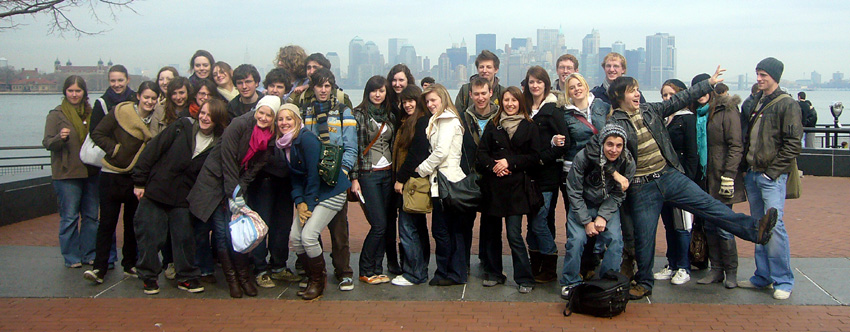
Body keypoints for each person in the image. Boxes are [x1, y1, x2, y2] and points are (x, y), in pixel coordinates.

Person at [604, 67, 779, 300]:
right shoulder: (614, 123)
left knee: (710, 206)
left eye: (637, 90)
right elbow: (604, 156)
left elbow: (680, 99)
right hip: (641, 186)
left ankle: (755, 230)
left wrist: (708, 83)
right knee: (644, 238)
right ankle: (644, 282)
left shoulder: (649, 110)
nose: (637, 94)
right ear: (618, 97)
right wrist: (618, 176)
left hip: (668, 175)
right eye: (631, 91)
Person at [131, 98, 228, 295]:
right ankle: (149, 277)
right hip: (157, 190)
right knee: (149, 235)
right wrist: (139, 182)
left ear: (218, 119)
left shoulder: (219, 143)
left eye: (210, 115)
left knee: (185, 238)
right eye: (203, 113)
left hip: (184, 197)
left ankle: (186, 277)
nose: (204, 118)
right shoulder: (181, 127)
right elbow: (152, 150)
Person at [188, 95, 281, 298]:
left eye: (269, 115)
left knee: (236, 233)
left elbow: (257, 165)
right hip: (215, 181)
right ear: (256, 110)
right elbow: (227, 158)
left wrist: (241, 187)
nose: (263, 118)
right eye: (261, 112)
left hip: (236, 184)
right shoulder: (239, 124)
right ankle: (233, 280)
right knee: (221, 233)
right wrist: (234, 193)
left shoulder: (271, 135)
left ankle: (244, 277)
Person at [739, 57, 802, 300]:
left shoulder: (787, 104)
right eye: (758, 74)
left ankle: (783, 280)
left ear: (775, 76)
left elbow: (793, 144)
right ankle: (762, 275)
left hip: (770, 176)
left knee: (774, 227)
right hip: (754, 174)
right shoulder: (757, 101)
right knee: (759, 226)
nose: (759, 79)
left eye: (763, 74)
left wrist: (771, 172)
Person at [82, 81, 158, 284]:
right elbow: (97, 133)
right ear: (138, 96)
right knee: (107, 223)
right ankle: (99, 268)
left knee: (132, 223)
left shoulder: (156, 121)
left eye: (153, 98)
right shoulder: (120, 112)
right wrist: (114, 149)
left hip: (136, 177)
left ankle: (130, 264)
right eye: (146, 97)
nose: (149, 101)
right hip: (111, 174)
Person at [278, 103, 351, 300]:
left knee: (309, 236)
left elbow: (312, 176)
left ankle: (319, 281)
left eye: (289, 118)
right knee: (295, 237)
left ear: (298, 120)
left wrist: (307, 207)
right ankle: (312, 276)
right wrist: (299, 202)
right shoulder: (285, 143)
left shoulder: (306, 139)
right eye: (280, 119)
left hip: (331, 192)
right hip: (313, 195)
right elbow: (294, 178)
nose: (284, 123)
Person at [476, 86, 541, 293]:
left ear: (520, 102)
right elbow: (482, 154)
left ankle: (524, 278)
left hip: (517, 189)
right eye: (506, 100)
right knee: (492, 233)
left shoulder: (529, 126)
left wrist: (509, 163)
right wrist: (494, 166)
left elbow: (534, 157)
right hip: (494, 187)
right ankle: (494, 273)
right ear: (500, 102)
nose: (510, 104)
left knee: (514, 234)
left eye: (514, 100)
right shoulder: (494, 125)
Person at [560, 124, 634, 299]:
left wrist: (603, 215)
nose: (614, 150)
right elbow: (574, 191)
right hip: (582, 204)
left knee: (615, 240)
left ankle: (609, 281)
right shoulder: (583, 158)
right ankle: (570, 281)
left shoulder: (627, 162)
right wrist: (586, 221)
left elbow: (618, 194)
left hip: (607, 205)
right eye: (609, 144)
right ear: (602, 143)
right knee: (576, 241)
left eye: (618, 145)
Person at [299, 68, 357, 291]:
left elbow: (351, 146)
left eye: (327, 86)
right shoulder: (305, 113)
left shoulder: (343, 112)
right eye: (319, 85)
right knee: (310, 227)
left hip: (334, 179)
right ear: (312, 87)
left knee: (339, 228)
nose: (323, 90)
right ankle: (315, 271)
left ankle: (343, 272)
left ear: (332, 87)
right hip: (312, 179)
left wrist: (342, 172)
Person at [690, 76, 746, 290]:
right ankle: (716, 269)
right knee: (709, 225)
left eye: (705, 89)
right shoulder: (698, 113)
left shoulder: (727, 110)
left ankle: (731, 271)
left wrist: (729, 175)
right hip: (704, 177)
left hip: (722, 177)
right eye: (698, 89)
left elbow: (735, 145)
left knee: (724, 226)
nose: (702, 93)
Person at [43, 75, 100, 268]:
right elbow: (48, 143)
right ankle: (71, 256)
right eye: (71, 91)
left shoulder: (91, 113)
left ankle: (89, 253)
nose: (74, 95)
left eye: (78, 91)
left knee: (91, 216)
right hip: (67, 174)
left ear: (84, 92)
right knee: (69, 217)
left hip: (91, 172)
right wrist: (60, 137)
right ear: (65, 92)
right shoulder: (56, 115)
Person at [416, 84, 469, 286]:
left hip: (448, 183)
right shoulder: (440, 119)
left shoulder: (447, 120)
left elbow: (441, 152)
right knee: (449, 230)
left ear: (443, 99)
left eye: (433, 100)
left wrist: (421, 169)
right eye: (427, 101)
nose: (430, 104)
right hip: (444, 182)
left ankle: (448, 273)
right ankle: (452, 272)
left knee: (443, 230)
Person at [560, 72, 610, 280]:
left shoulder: (602, 107)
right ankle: (576, 265)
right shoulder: (565, 115)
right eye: (572, 87)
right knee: (577, 217)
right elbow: (565, 143)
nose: (576, 89)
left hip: (600, 170)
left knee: (595, 216)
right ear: (568, 92)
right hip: (573, 172)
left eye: (579, 85)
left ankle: (590, 261)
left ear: (586, 86)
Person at [523, 66, 569, 283]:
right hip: (527, 176)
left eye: (538, 82)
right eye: (531, 81)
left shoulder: (553, 110)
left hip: (547, 175)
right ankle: (536, 266)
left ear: (546, 84)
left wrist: (542, 157)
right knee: (532, 223)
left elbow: (563, 143)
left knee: (540, 221)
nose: (535, 85)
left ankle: (550, 267)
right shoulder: (524, 108)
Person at [247, 101, 299, 288]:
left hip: (285, 184)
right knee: (262, 226)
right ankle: (260, 268)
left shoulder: (293, 136)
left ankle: (278, 266)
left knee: (282, 226)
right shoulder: (263, 132)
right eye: (279, 119)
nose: (283, 122)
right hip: (264, 183)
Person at [351, 76, 398, 284]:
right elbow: (353, 148)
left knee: (386, 224)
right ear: (367, 92)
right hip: (368, 174)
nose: (377, 94)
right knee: (378, 224)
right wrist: (354, 178)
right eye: (373, 91)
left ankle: (378, 269)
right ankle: (365, 268)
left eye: (381, 91)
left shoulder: (390, 115)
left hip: (387, 173)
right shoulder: (358, 114)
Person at [653, 79, 697, 285]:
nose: (668, 99)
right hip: (663, 178)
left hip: (680, 179)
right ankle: (671, 264)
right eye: (664, 95)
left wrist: (687, 179)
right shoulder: (663, 118)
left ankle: (683, 266)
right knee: (669, 224)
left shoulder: (687, 119)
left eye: (671, 95)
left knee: (682, 225)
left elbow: (692, 153)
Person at [391, 85, 432, 286]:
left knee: (407, 228)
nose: (407, 104)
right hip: (411, 182)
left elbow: (416, 155)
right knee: (417, 227)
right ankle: (420, 269)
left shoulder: (421, 121)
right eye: (404, 101)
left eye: (411, 100)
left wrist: (400, 178)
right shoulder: (408, 121)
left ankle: (414, 274)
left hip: (411, 183)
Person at [91, 65, 136, 138]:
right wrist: (114, 148)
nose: (116, 84)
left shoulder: (137, 100)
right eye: (113, 81)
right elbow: (94, 133)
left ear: (128, 80)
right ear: (109, 81)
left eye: (120, 80)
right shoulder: (101, 104)